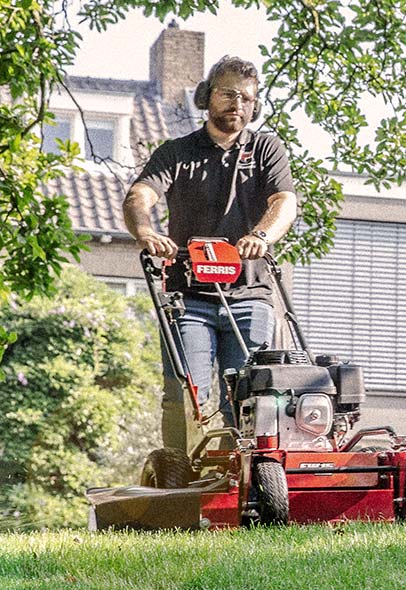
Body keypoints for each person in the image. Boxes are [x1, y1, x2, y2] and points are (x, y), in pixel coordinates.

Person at [122, 56, 298, 449]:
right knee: (188, 396)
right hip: (189, 297)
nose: (239, 104)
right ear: (207, 96)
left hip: (251, 294)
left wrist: (262, 235)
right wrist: (146, 231)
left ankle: (248, 473)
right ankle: (184, 475)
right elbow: (140, 195)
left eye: (248, 99)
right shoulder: (177, 152)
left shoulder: (267, 149)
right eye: (230, 94)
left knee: (252, 396)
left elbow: (284, 201)